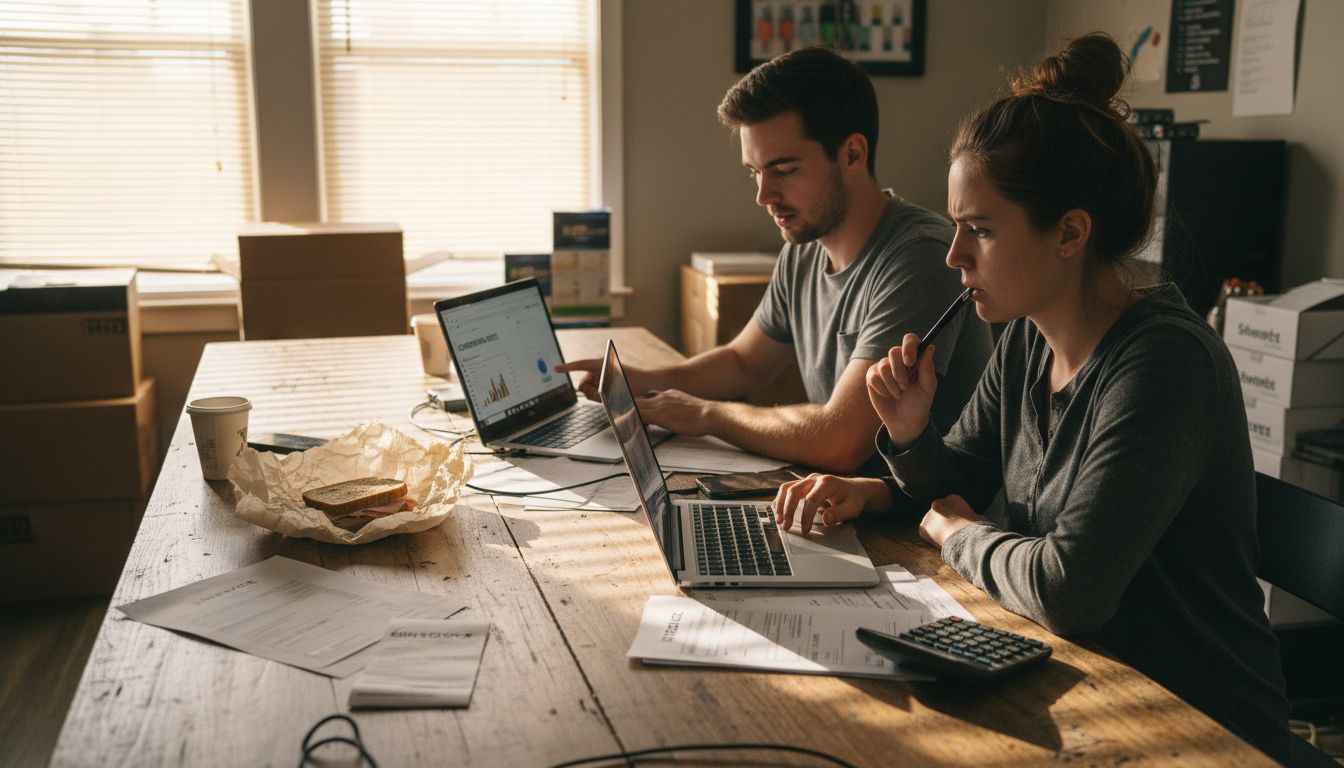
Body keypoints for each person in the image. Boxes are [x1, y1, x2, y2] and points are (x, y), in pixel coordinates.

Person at [772, 34, 1291, 762]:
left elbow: (1068, 591)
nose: (954, 255)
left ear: (1070, 233)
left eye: (979, 230)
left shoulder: (1166, 365)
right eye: (956, 226)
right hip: (1076, 685)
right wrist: (902, 453)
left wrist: (958, 534)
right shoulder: (1025, 338)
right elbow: (963, 480)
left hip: (1197, 725)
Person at [559, 46, 992, 474]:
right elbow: (744, 362)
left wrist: (707, 414)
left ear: (852, 154)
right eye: (755, 171)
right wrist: (645, 380)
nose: (763, 196)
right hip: (841, 498)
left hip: (919, 513)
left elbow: (840, 441)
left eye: (783, 170)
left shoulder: (922, 257)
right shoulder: (803, 248)